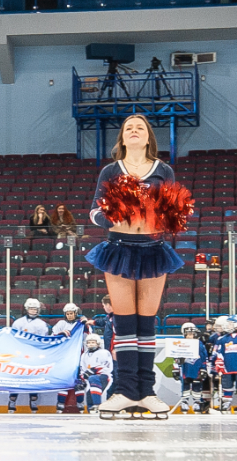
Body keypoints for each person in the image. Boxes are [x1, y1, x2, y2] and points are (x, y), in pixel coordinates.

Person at [85, 114, 187, 420]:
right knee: (125, 325)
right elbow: (94, 211)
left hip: (153, 250)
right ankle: (124, 391)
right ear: (122, 138)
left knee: (146, 324)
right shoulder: (110, 170)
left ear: (147, 137)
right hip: (118, 250)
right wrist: (115, 215)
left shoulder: (163, 170)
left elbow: (174, 215)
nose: (133, 130)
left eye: (139, 127)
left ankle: (147, 393)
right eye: (128, 127)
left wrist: (161, 212)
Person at [9, 298, 50, 413]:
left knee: (33, 377)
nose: (33, 311)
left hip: (34, 354)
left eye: (35, 309)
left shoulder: (41, 324)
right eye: (31, 308)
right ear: (27, 309)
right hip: (20, 354)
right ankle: (12, 401)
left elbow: (43, 340)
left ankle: (33, 401)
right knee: (17, 377)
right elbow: (13, 338)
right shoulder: (18, 322)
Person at [211, 315, 237, 413]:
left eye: (230, 323)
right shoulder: (222, 339)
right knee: (227, 386)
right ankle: (226, 403)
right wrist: (219, 363)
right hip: (227, 367)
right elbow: (219, 352)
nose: (228, 326)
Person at [172, 323, 210, 414]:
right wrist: (176, 368)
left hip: (196, 368)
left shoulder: (199, 344)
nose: (190, 336)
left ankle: (197, 402)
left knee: (197, 385)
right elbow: (175, 357)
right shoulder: (180, 344)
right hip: (186, 368)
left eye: (192, 334)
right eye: (188, 334)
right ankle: (184, 402)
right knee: (185, 385)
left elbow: (204, 357)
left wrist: (204, 369)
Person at [77, 334, 113, 414]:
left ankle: (97, 405)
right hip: (90, 378)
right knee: (89, 396)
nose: (91, 344)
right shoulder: (84, 355)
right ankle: (91, 410)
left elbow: (106, 366)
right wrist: (83, 379)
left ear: (98, 343)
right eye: (89, 342)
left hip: (104, 376)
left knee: (93, 378)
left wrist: (93, 370)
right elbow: (83, 369)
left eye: (93, 342)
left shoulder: (104, 352)